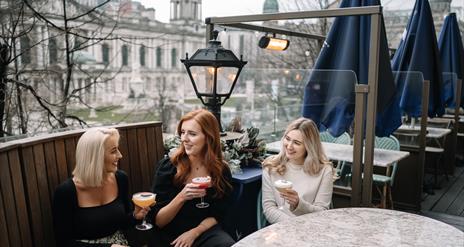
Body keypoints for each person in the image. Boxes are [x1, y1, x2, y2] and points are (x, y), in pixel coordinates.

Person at [150, 109, 235, 247]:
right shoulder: (168, 167)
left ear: (208, 137)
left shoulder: (221, 170)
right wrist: (182, 197)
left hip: (203, 231)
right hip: (171, 234)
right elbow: (159, 221)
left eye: (192, 134)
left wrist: (194, 232)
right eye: (183, 132)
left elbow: (218, 214)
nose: (184, 138)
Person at [52, 128, 150, 247]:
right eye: (114, 151)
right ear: (95, 157)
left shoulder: (120, 179)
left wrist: (135, 216)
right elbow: (63, 243)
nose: (120, 155)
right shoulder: (66, 192)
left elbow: (122, 223)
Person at [262, 118, 333, 224]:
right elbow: (269, 208)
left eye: (297, 143)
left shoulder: (324, 171)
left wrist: (299, 204)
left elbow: (322, 212)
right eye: (287, 138)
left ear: (309, 147)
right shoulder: (271, 166)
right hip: (281, 227)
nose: (289, 146)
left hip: (311, 227)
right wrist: (292, 225)